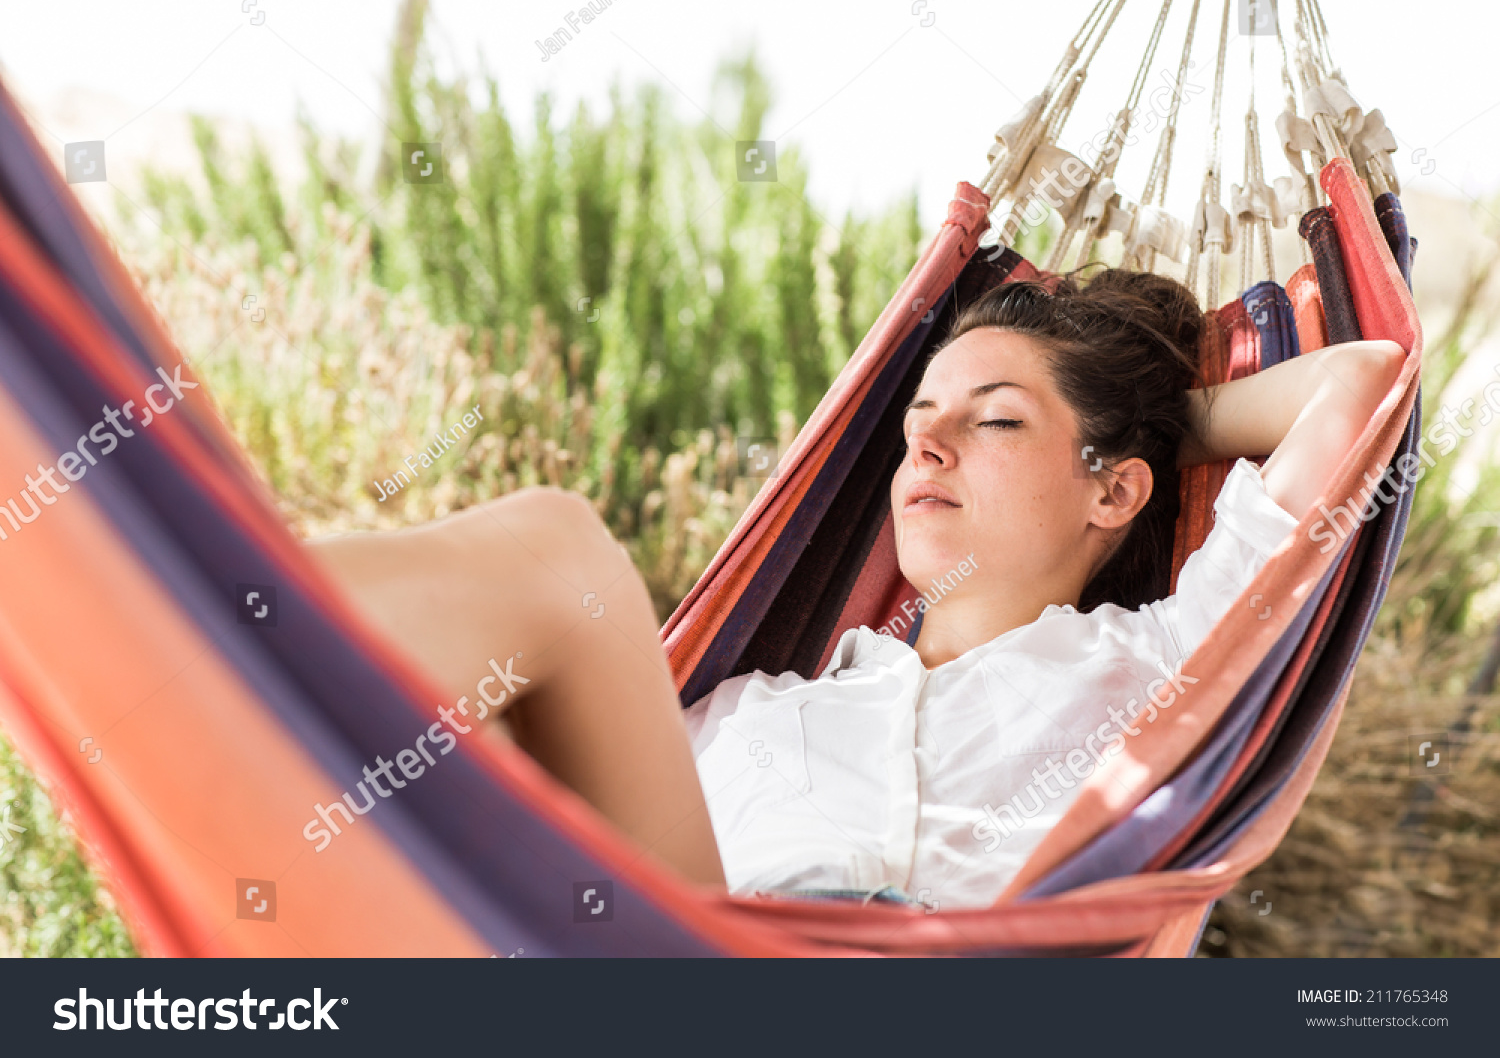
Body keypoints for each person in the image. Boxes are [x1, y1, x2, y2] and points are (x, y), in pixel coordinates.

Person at [309, 268, 1405, 907]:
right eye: (918, 425)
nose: (926, 451)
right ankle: (195, 613)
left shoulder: (1167, 665)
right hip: (665, 957)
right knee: (525, 612)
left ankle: (204, 607)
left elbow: (1360, 387)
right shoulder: (748, 706)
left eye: (996, 421)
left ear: (1115, 494)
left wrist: (1166, 431)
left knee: (559, 552)